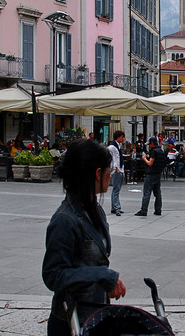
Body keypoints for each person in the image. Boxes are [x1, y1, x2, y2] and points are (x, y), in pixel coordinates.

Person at [42, 138, 126, 336]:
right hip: (71, 322)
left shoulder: (95, 210)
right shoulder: (65, 220)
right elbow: (53, 275)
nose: (111, 172)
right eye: (108, 168)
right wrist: (102, 275)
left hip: (93, 316)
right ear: (98, 173)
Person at [135, 137, 165, 216]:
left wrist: (144, 158)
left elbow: (150, 163)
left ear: (152, 143)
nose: (149, 146)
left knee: (147, 192)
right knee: (157, 192)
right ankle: (158, 210)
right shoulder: (161, 151)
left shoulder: (154, 151)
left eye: (150, 144)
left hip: (151, 174)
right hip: (158, 174)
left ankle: (144, 210)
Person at [107, 130, 125, 216]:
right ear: (118, 137)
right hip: (117, 170)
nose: (123, 139)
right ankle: (117, 207)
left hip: (119, 169)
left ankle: (114, 207)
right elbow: (113, 159)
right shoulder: (112, 147)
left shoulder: (118, 145)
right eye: (122, 137)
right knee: (116, 189)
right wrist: (116, 168)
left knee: (116, 189)